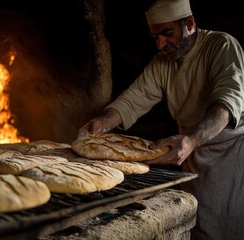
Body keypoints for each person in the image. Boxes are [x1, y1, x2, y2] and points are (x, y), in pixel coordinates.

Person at [77, 0, 244, 239]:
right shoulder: (162, 63)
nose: (161, 44)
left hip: (230, 155)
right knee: (196, 225)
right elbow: (133, 99)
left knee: (228, 226)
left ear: (189, 23)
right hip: (190, 152)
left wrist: (192, 139)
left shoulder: (221, 45)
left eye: (167, 34)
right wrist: (101, 123)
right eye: (155, 37)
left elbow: (226, 103)